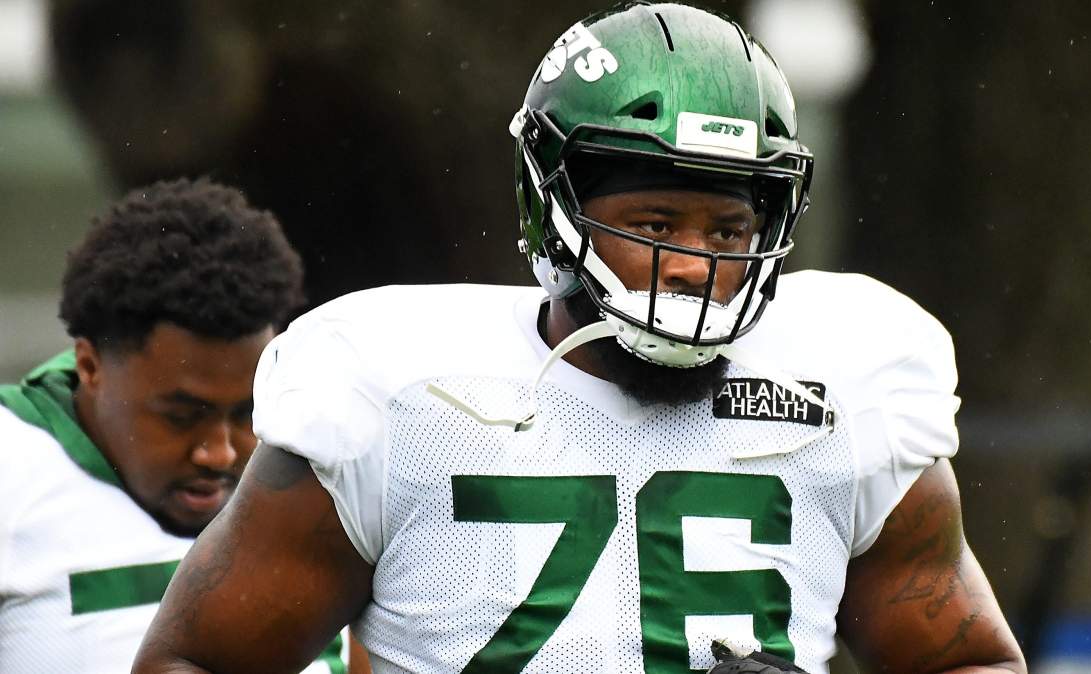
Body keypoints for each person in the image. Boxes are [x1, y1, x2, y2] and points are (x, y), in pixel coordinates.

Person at [134, 4, 1026, 674]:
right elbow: (193, 661)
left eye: (728, 229)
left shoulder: (849, 384)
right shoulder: (393, 389)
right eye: (655, 223)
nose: (695, 264)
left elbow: (968, 660)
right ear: (551, 211)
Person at [0, 178, 354, 672]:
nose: (219, 453)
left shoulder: (324, 454)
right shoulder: (12, 470)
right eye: (182, 416)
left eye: (248, 413)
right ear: (90, 366)